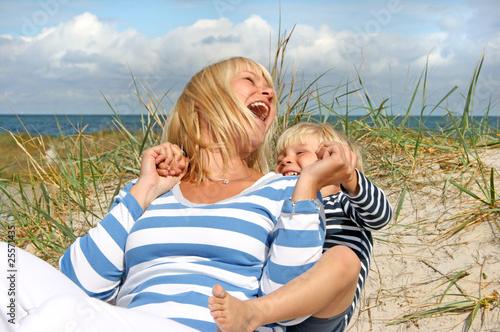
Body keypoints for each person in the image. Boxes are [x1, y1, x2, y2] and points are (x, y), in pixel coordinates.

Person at [0, 57, 344, 332]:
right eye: (250, 81)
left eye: (270, 88)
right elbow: (79, 283)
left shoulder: (284, 192)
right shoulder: (151, 192)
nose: (268, 92)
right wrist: (144, 190)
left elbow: (283, 302)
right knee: (6, 263)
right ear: (204, 102)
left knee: (62, 313)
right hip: (126, 322)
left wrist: (304, 191)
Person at [208, 122, 393, 331]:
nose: (286, 159)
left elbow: (380, 217)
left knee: (343, 258)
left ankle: (254, 313)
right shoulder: (284, 208)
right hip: (276, 304)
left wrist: (350, 177)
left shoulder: (343, 201)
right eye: (280, 159)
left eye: (300, 152)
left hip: (318, 315)